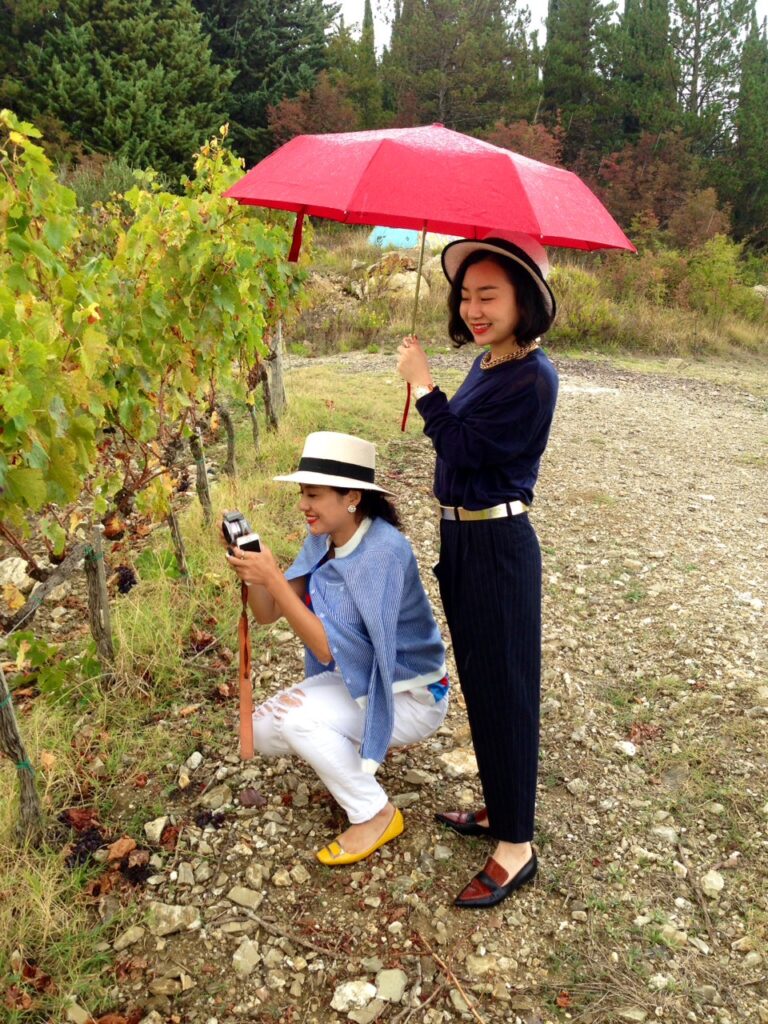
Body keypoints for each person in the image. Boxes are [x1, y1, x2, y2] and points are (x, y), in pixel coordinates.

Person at [396, 232, 559, 909]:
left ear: (525, 300)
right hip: (465, 543)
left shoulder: (532, 377)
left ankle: (516, 848)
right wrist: (434, 390)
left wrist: (425, 388)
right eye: (466, 296)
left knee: (507, 692)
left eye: (488, 295)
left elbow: (463, 448)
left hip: (498, 546)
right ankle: (501, 807)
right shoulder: (493, 364)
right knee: (484, 685)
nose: (474, 308)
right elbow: (457, 443)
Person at [225, 431, 448, 866]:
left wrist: (273, 577)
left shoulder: (384, 551)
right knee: (261, 731)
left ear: (352, 497)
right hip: (358, 675)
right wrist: (253, 573)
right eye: (302, 494)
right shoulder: (323, 538)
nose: (304, 505)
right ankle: (353, 747)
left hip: (411, 695)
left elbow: (327, 650)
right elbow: (269, 613)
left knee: (297, 722)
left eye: (314, 495)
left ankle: (375, 813)